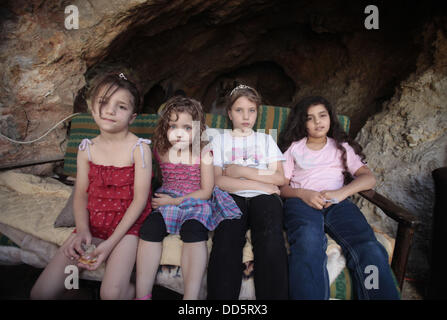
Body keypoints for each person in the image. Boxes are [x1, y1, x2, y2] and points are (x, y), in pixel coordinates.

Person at [31, 73, 152, 300]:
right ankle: (74, 287)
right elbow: (80, 194)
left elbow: (140, 200)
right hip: (93, 225)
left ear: (132, 117)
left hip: (126, 229)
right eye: (104, 103)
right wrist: (83, 231)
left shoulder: (139, 148)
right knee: (42, 293)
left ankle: (132, 292)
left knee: (110, 294)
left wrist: (109, 244)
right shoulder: (86, 148)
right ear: (93, 108)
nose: (110, 111)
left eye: (121, 106)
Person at [278, 96, 400, 300]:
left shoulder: (341, 147)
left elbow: (368, 178)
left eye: (322, 115)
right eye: (310, 118)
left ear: (330, 118)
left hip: (339, 204)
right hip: (302, 203)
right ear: (302, 123)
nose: (317, 122)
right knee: (308, 243)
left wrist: (341, 193)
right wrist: (303, 194)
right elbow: (282, 187)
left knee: (369, 246)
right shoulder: (294, 148)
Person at [136, 96, 241, 300]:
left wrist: (174, 201)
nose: (179, 133)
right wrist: (167, 200)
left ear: (198, 129)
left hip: (196, 199)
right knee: (149, 229)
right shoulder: (160, 149)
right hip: (168, 196)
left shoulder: (204, 152)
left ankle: (190, 298)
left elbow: (207, 191)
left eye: (187, 128)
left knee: (193, 230)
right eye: (173, 126)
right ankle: (142, 295)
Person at [207, 84, 289, 300]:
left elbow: (279, 178)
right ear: (229, 113)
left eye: (251, 110)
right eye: (239, 110)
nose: (246, 116)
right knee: (227, 237)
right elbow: (218, 180)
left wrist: (241, 170)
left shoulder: (265, 140)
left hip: (263, 199)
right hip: (232, 195)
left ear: (257, 113)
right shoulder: (220, 140)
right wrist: (262, 184)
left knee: (270, 237)